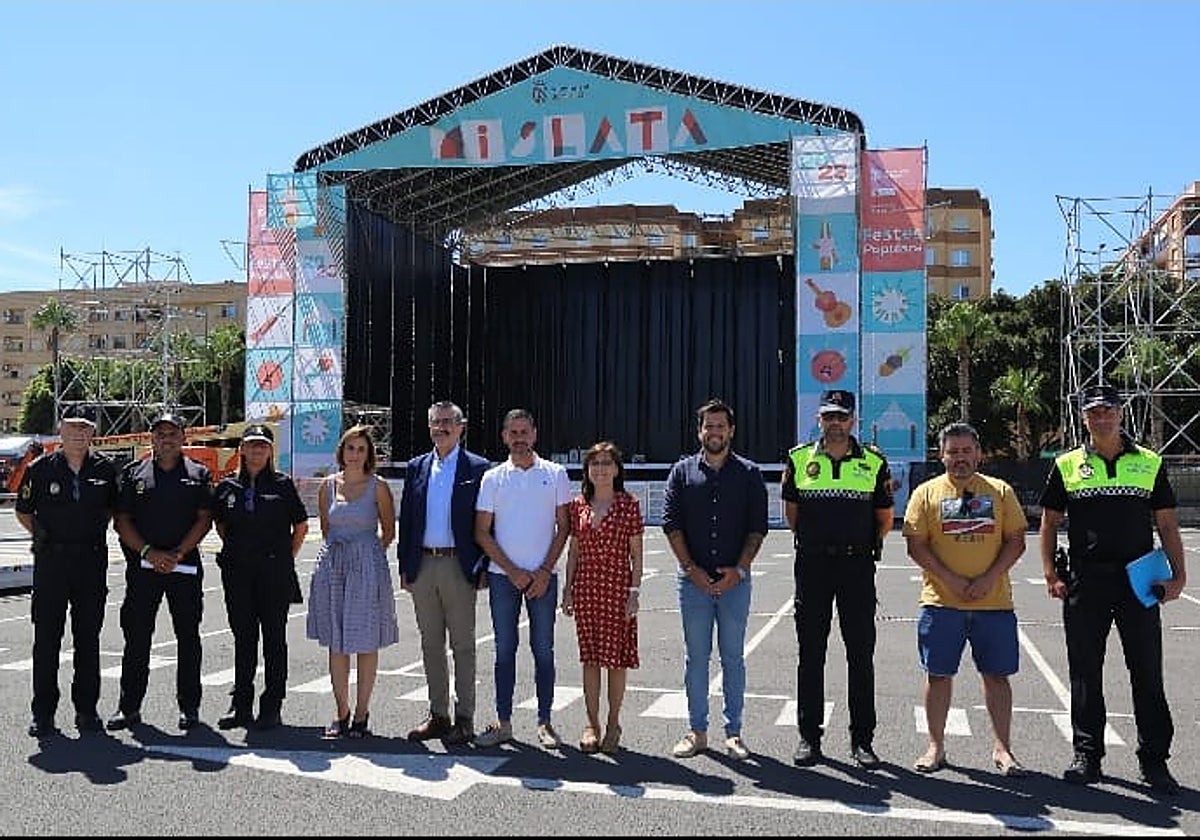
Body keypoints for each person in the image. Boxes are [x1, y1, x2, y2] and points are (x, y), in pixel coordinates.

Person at [1038, 384, 1187, 796]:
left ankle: (1155, 761)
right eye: (1093, 413)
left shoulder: (1149, 462)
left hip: (1138, 580)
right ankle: (1088, 756)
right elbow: (1049, 523)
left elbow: (1168, 524)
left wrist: (1179, 577)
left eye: (1108, 410)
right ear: (1083, 418)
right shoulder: (1067, 464)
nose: (1101, 418)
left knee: (1146, 672)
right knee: (1085, 672)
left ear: (1121, 414)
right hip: (1087, 580)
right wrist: (1052, 574)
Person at [902, 422, 1027, 776]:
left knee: (997, 676)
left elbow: (1016, 540)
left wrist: (987, 578)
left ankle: (1003, 749)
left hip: (994, 602)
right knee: (938, 675)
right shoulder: (926, 493)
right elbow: (916, 545)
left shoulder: (1000, 491)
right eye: (953, 452)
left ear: (979, 453)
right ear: (941, 455)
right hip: (942, 603)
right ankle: (935, 746)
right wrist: (952, 580)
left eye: (966, 451)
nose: (960, 458)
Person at [782, 390, 893, 768]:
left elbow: (884, 520)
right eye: (828, 416)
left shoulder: (874, 463)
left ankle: (862, 741)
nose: (835, 423)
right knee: (810, 655)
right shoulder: (798, 459)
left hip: (857, 568)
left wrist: (856, 547)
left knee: (860, 655)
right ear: (819, 420)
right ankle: (808, 738)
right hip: (812, 567)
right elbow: (792, 514)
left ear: (852, 421)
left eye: (841, 417)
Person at [663, 398, 768, 762]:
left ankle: (734, 732)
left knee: (733, 658)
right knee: (696, 659)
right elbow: (671, 524)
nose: (714, 431)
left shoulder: (750, 473)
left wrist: (738, 572)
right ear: (699, 431)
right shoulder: (681, 472)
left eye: (720, 425)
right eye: (708, 425)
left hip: (735, 584)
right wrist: (691, 569)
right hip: (692, 584)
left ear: (731, 430)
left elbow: (758, 528)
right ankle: (697, 731)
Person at [108, 411, 214, 732]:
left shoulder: (198, 473)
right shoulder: (133, 473)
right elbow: (121, 521)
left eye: (172, 433)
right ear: (151, 438)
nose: (166, 439)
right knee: (137, 638)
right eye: (160, 433)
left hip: (185, 566)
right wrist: (149, 553)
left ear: (183, 437)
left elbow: (205, 518)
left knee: (188, 638)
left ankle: (190, 708)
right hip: (143, 567)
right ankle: (129, 708)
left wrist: (178, 553)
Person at [473, 408, 572, 749]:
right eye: (512, 432)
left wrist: (544, 571)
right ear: (504, 437)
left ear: (534, 434)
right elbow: (482, 532)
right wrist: (513, 571)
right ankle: (503, 722)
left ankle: (545, 722)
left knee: (543, 651)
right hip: (504, 579)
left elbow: (565, 527)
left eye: (524, 432)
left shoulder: (556, 474)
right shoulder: (493, 478)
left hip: (544, 579)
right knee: (504, 651)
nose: (519, 438)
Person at [17, 405, 118, 738]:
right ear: (60, 429)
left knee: (88, 640)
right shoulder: (40, 469)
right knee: (47, 640)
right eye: (73, 426)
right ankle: (43, 713)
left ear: (93, 433)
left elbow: (115, 511)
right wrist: (42, 536)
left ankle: (86, 711)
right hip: (52, 564)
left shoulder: (105, 469)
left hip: (90, 563)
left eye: (85, 427)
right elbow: (24, 511)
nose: (79, 433)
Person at [396, 400, 490, 747]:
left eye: (448, 422)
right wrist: (405, 565)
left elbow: (488, 522)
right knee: (430, 644)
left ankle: (464, 717)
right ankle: (438, 714)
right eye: (435, 422)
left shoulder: (478, 468)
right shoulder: (417, 466)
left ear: (461, 427)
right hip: (423, 565)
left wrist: (482, 566)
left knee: (463, 646)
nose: (441, 428)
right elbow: (406, 519)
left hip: (459, 566)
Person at [211, 423, 309, 731]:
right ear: (242, 449)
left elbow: (301, 526)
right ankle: (240, 704)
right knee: (244, 639)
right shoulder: (227, 487)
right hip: (238, 572)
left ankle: (272, 705)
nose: (257, 450)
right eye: (252, 445)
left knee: (274, 640)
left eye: (263, 445)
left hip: (273, 572)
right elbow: (222, 526)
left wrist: (284, 558)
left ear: (270, 451)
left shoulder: (282, 485)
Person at [306, 425, 399, 739]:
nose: (355, 455)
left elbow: (388, 530)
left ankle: (361, 714)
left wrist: (367, 556)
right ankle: (341, 712)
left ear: (368, 454)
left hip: (366, 567)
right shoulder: (328, 486)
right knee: (337, 641)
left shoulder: (379, 486)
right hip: (333, 566)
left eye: (361, 449)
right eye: (350, 448)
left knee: (366, 641)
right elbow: (326, 526)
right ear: (341, 452)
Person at [561, 441, 644, 755]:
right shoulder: (578, 505)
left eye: (606, 463)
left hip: (617, 592)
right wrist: (568, 590)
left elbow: (637, 555)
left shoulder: (629, 504)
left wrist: (634, 594)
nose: (600, 469)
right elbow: (573, 553)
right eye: (594, 464)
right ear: (587, 471)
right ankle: (591, 723)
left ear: (617, 469)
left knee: (616, 661)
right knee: (591, 659)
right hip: (587, 592)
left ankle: (613, 723)